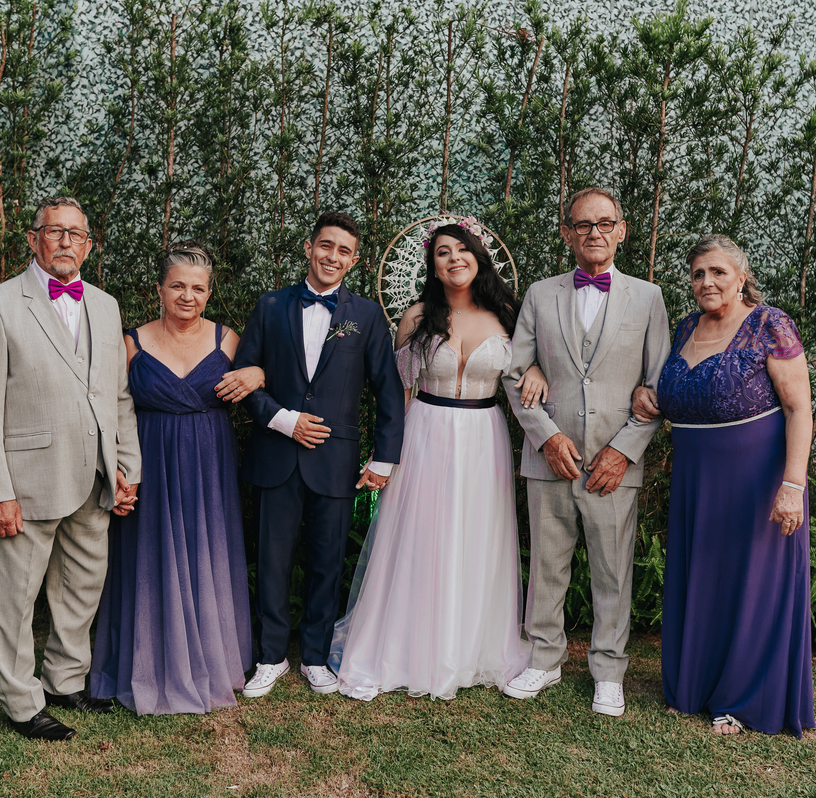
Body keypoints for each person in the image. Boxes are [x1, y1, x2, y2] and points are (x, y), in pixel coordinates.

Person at [328, 219, 540, 700]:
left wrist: (539, 372)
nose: (454, 259)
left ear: (478, 256)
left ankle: (468, 645)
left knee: (477, 535)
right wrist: (385, 454)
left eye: (461, 249)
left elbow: (532, 362)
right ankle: (406, 645)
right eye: (443, 252)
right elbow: (399, 392)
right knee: (420, 533)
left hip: (484, 435)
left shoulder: (508, 314)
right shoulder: (417, 316)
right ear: (433, 265)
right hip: (424, 431)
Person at [0, 195, 142, 741]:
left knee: (82, 587)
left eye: (76, 234)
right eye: (55, 231)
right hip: (27, 482)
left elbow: (118, 396)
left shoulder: (106, 306)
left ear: (88, 245)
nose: (66, 241)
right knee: (17, 597)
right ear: (33, 238)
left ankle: (65, 680)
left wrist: (126, 466)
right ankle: (21, 702)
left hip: (95, 476)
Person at [631, 234, 815, 737]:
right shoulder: (686, 327)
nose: (707, 282)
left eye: (717, 272)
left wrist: (792, 485)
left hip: (756, 478)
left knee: (750, 582)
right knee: (702, 578)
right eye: (698, 274)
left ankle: (741, 698)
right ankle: (694, 686)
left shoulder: (769, 324)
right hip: (697, 478)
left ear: (741, 276)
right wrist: (648, 395)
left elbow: (799, 408)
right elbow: (678, 394)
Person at [502, 187, 670, 716]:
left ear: (621, 230)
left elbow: (658, 385)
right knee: (546, 567)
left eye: (604, 223)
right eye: (582, 224)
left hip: (613, 465)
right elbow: (515, 372)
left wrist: (624, 450)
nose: (594, 233)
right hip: (549, 457)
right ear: (566, 233)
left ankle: (609, 671)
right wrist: (547, 437)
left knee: (613, 572)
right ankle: (544, 659)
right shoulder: (539, 294)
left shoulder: (649, 297)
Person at [234, 211, 405, 697]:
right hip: (276, 453)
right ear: (309, 248)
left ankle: (314, 655)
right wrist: (283, 419)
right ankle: (270, 656)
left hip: (336, 461)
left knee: (327, 561)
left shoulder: (365, 316)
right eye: (325, 246)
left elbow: (388, 391)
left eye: (343, 251)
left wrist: (384, 458)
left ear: (354, 260)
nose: (332, 256)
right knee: (271, 560)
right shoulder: (270, 306)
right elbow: (244, 377)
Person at [90, 241, 264, 715]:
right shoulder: (131, 342)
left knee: (207, 549)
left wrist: (259, 373)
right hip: (148, 458)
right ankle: (146, 663)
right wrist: (117, 470)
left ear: (209, 293)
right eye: (178, 286)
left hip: (209, 461)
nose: (188, 296)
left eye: (198, 289)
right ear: (160, 290)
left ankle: (210, 658)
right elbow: (107, 409)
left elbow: (268, 379)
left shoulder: (228, 340)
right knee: (150, 553)